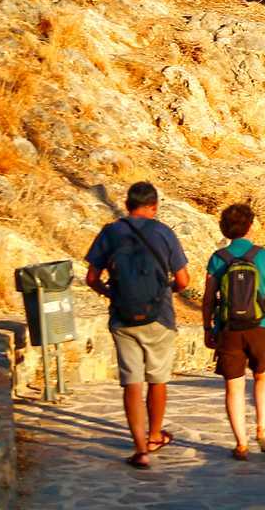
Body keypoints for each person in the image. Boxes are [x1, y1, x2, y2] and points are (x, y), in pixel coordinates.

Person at [84, 181, 191, 470]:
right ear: (154, 206)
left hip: (122, 317)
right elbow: (183, 281)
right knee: (157, 379)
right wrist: (164, 294)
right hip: (160, 317)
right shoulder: (164, 232)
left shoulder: (110, 232)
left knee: (132, 382)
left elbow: (91, 278)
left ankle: (140, 450)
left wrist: (111, 294)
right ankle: (155, 435)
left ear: (128, 204)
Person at [201, 203, 265, 462]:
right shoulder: (264, 256)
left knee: (233, 386)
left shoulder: (218, 258)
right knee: (263, 377)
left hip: (229, 328)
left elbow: (209, 299)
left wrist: (207, 328)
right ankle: (262, 429)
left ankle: (241, 443)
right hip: (261, 326)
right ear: (251, 226)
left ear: (224, 228)